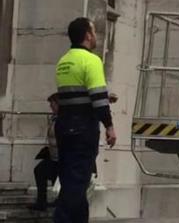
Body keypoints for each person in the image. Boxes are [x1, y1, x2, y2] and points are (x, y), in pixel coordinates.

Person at [54, 17, 115, 223]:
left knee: (72, 179)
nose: (95, 35)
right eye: (94, 31)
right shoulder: (91, 60)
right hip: (83, 129)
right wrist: (109, 126)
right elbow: (98, 99)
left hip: (64, 126)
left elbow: (73, 96)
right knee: (76, 183)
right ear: (88, 35)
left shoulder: (63, 61)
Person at [29, 94, 59, 211]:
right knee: (40, 170)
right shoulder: (54, 118)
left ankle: (59, 201)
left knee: (56, 179)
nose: (50, 106)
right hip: (54, 157)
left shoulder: (64, 120)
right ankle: (42, 202)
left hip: (63, 160)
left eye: (52, 104)